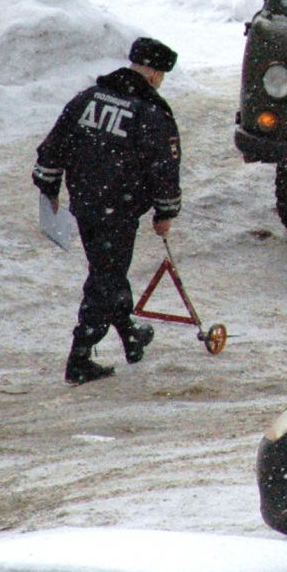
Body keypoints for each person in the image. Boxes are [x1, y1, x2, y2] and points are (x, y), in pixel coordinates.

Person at [32, 37, 183, 385]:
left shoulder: (88, 99)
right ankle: (80, 356)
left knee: (106, 269)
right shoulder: (151, 114)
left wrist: (50, 189)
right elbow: (165, 170)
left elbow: (54, 146)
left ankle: (130, 334)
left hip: (86, 203)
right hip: (120, 209)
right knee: (106, 277)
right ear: (156, 74)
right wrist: (165, 213)